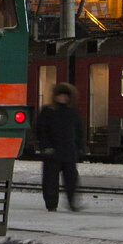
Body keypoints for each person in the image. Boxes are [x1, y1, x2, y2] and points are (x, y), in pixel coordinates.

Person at [36, 82, 86, 211]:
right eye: (60, 95)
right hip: (52, 152)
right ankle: (51, 205)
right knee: (50, 181)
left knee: (71, 180)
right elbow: (41, 130)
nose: (63, 98)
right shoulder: (47, 111)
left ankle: (72, 203)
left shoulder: (72, 112)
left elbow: (79, 131)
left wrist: (80, 147)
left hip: (69, 151)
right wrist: (45, 146)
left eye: (65, 96)